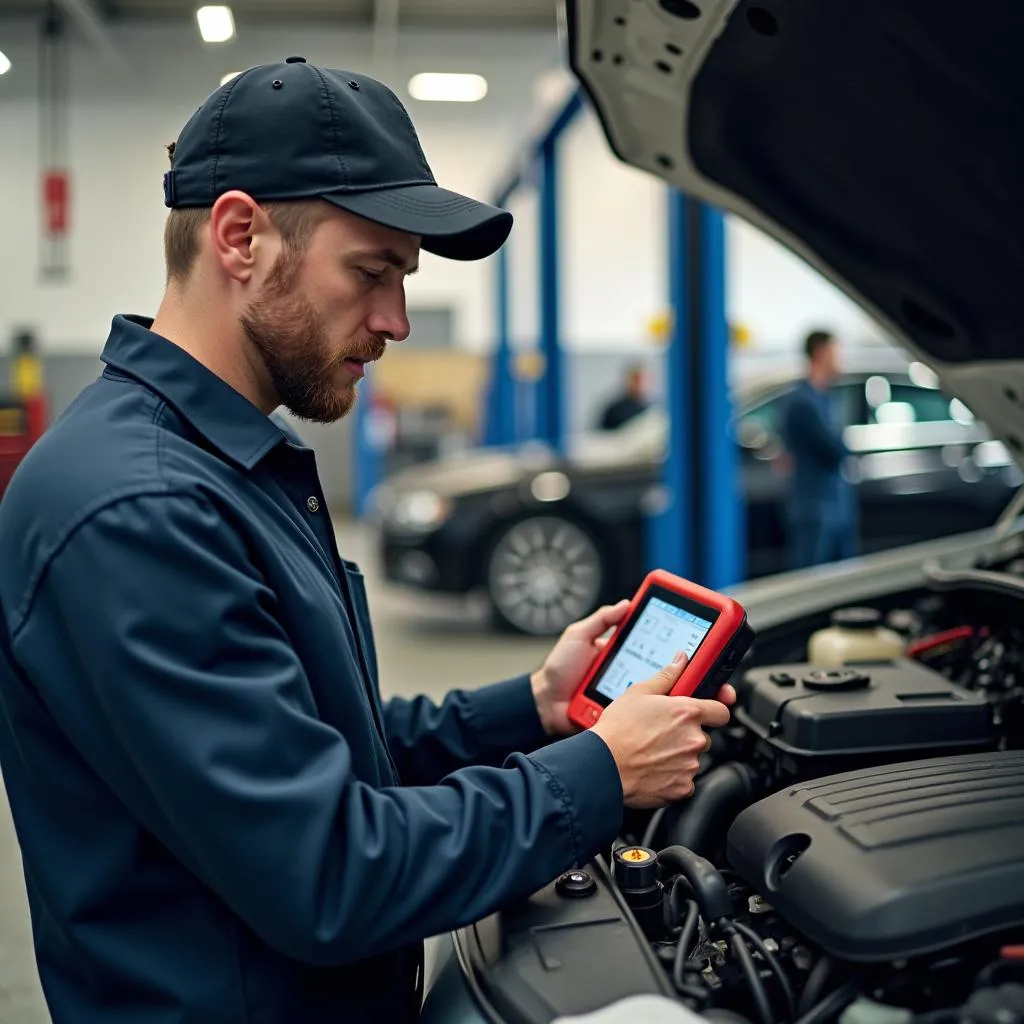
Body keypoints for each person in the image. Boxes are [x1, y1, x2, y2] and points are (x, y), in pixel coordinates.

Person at [0, 59, 736, 1024]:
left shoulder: (218, 467)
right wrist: (600, 775)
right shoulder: (137, 507)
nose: (393, 320)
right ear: (239, 236)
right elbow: (330, 874)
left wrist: (531, 708)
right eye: (371, 271)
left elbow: (320, 744)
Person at [778, 329, 858, 568]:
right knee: (811, 573)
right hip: (815, 506)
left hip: (833, 501)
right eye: (836, 353)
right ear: (821, 353)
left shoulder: (824, 398)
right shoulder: (803, 402)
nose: (839, 360)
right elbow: (834, 448)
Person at [597, 362, 650, 430]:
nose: (640, 384)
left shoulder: (651, 409)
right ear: (628, 381)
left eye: (643, 380)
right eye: (636, 380)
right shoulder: (614, 410)